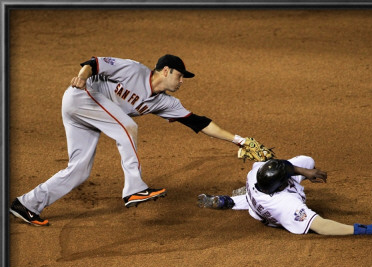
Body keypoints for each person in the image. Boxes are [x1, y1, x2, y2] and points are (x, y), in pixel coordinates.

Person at [10, 54, 257, 226]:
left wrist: (239, 140)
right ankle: (135, 190)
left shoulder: (166, 102)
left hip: (93, 115)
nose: (182, 82)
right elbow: (93, 63)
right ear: (166, 71)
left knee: (79, 171)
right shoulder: (134, 69)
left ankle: (26, 204)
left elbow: (199, 122)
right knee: (128, 126)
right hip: (81, 97)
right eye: (180, 76)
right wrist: (81, 76)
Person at [197, 155, 372, 235]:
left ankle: (228, 200)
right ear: (282, 184)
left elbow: (279, 164)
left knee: (306, 162)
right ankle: (234, 199)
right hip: (273, 215)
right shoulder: (288, 205)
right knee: (306, 162)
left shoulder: (255, 173)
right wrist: (364, 229)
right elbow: (322, 226)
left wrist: (305, 172)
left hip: (257, 197)